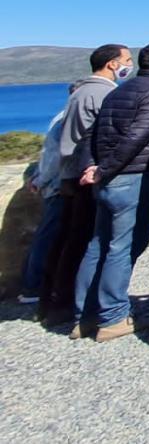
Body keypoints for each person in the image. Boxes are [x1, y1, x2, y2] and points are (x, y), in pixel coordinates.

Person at [72, 40, 149, 342]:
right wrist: (106, 169)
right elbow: (139, 136)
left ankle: (84, 315)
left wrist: (92, 168)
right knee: (124, 247)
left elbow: (91, 134)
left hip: (107, 179)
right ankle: (113, 317)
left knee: (98, 245)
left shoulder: (121, 90)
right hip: (135, 177)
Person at [39, 44, 130, 325]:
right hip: (87, 174)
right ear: (113, 64)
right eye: (127, 60)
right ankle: (75, 304)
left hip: (74, 173)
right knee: (86, 241)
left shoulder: (80, 92)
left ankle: (58, 300)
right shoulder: (102, 93)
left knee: (72, 239)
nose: (130, 64)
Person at [18, 108, 66, 307]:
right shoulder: (65, 119)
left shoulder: (61, 116)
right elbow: (55, 155)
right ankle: (33, 285)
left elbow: (47, 152)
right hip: (58, 185)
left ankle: (36, 283)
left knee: (49, 236)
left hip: (54, 183)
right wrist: (41, 179)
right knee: (48, 236)